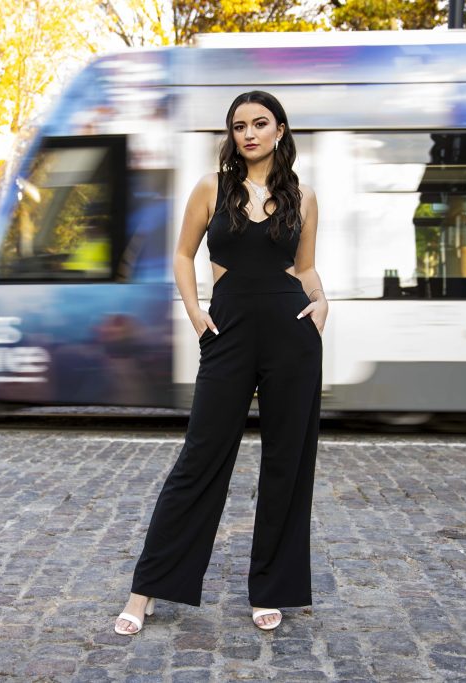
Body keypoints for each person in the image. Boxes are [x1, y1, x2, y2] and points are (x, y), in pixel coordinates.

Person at [114, 91, 326, 634]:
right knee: (199, 460)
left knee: (287, 464)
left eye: (260, 124)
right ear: (231, 135)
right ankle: (147, 590)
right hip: (228, 332)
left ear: (280, 129)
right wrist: (193, 311)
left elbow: (305, 269)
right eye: (238, 126)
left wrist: (321, 302)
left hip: (291, 335)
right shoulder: (213, 189)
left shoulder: (304, 197)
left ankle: (271, 589)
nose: (249, 133)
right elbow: (183, 255)